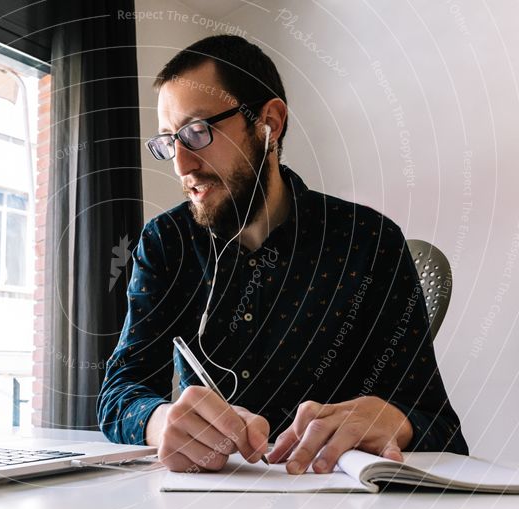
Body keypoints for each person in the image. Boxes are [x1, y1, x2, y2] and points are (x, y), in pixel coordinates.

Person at [97, 35, 468, 474]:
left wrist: (396, 422)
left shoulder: (368, 242)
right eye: (167, 141)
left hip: (335, 506)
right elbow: (121, 392)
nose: (181, 165)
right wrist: (161, 422)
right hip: (206, 503)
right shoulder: (166, 242)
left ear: (269, 122)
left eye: (196, 132)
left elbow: (440, 427)